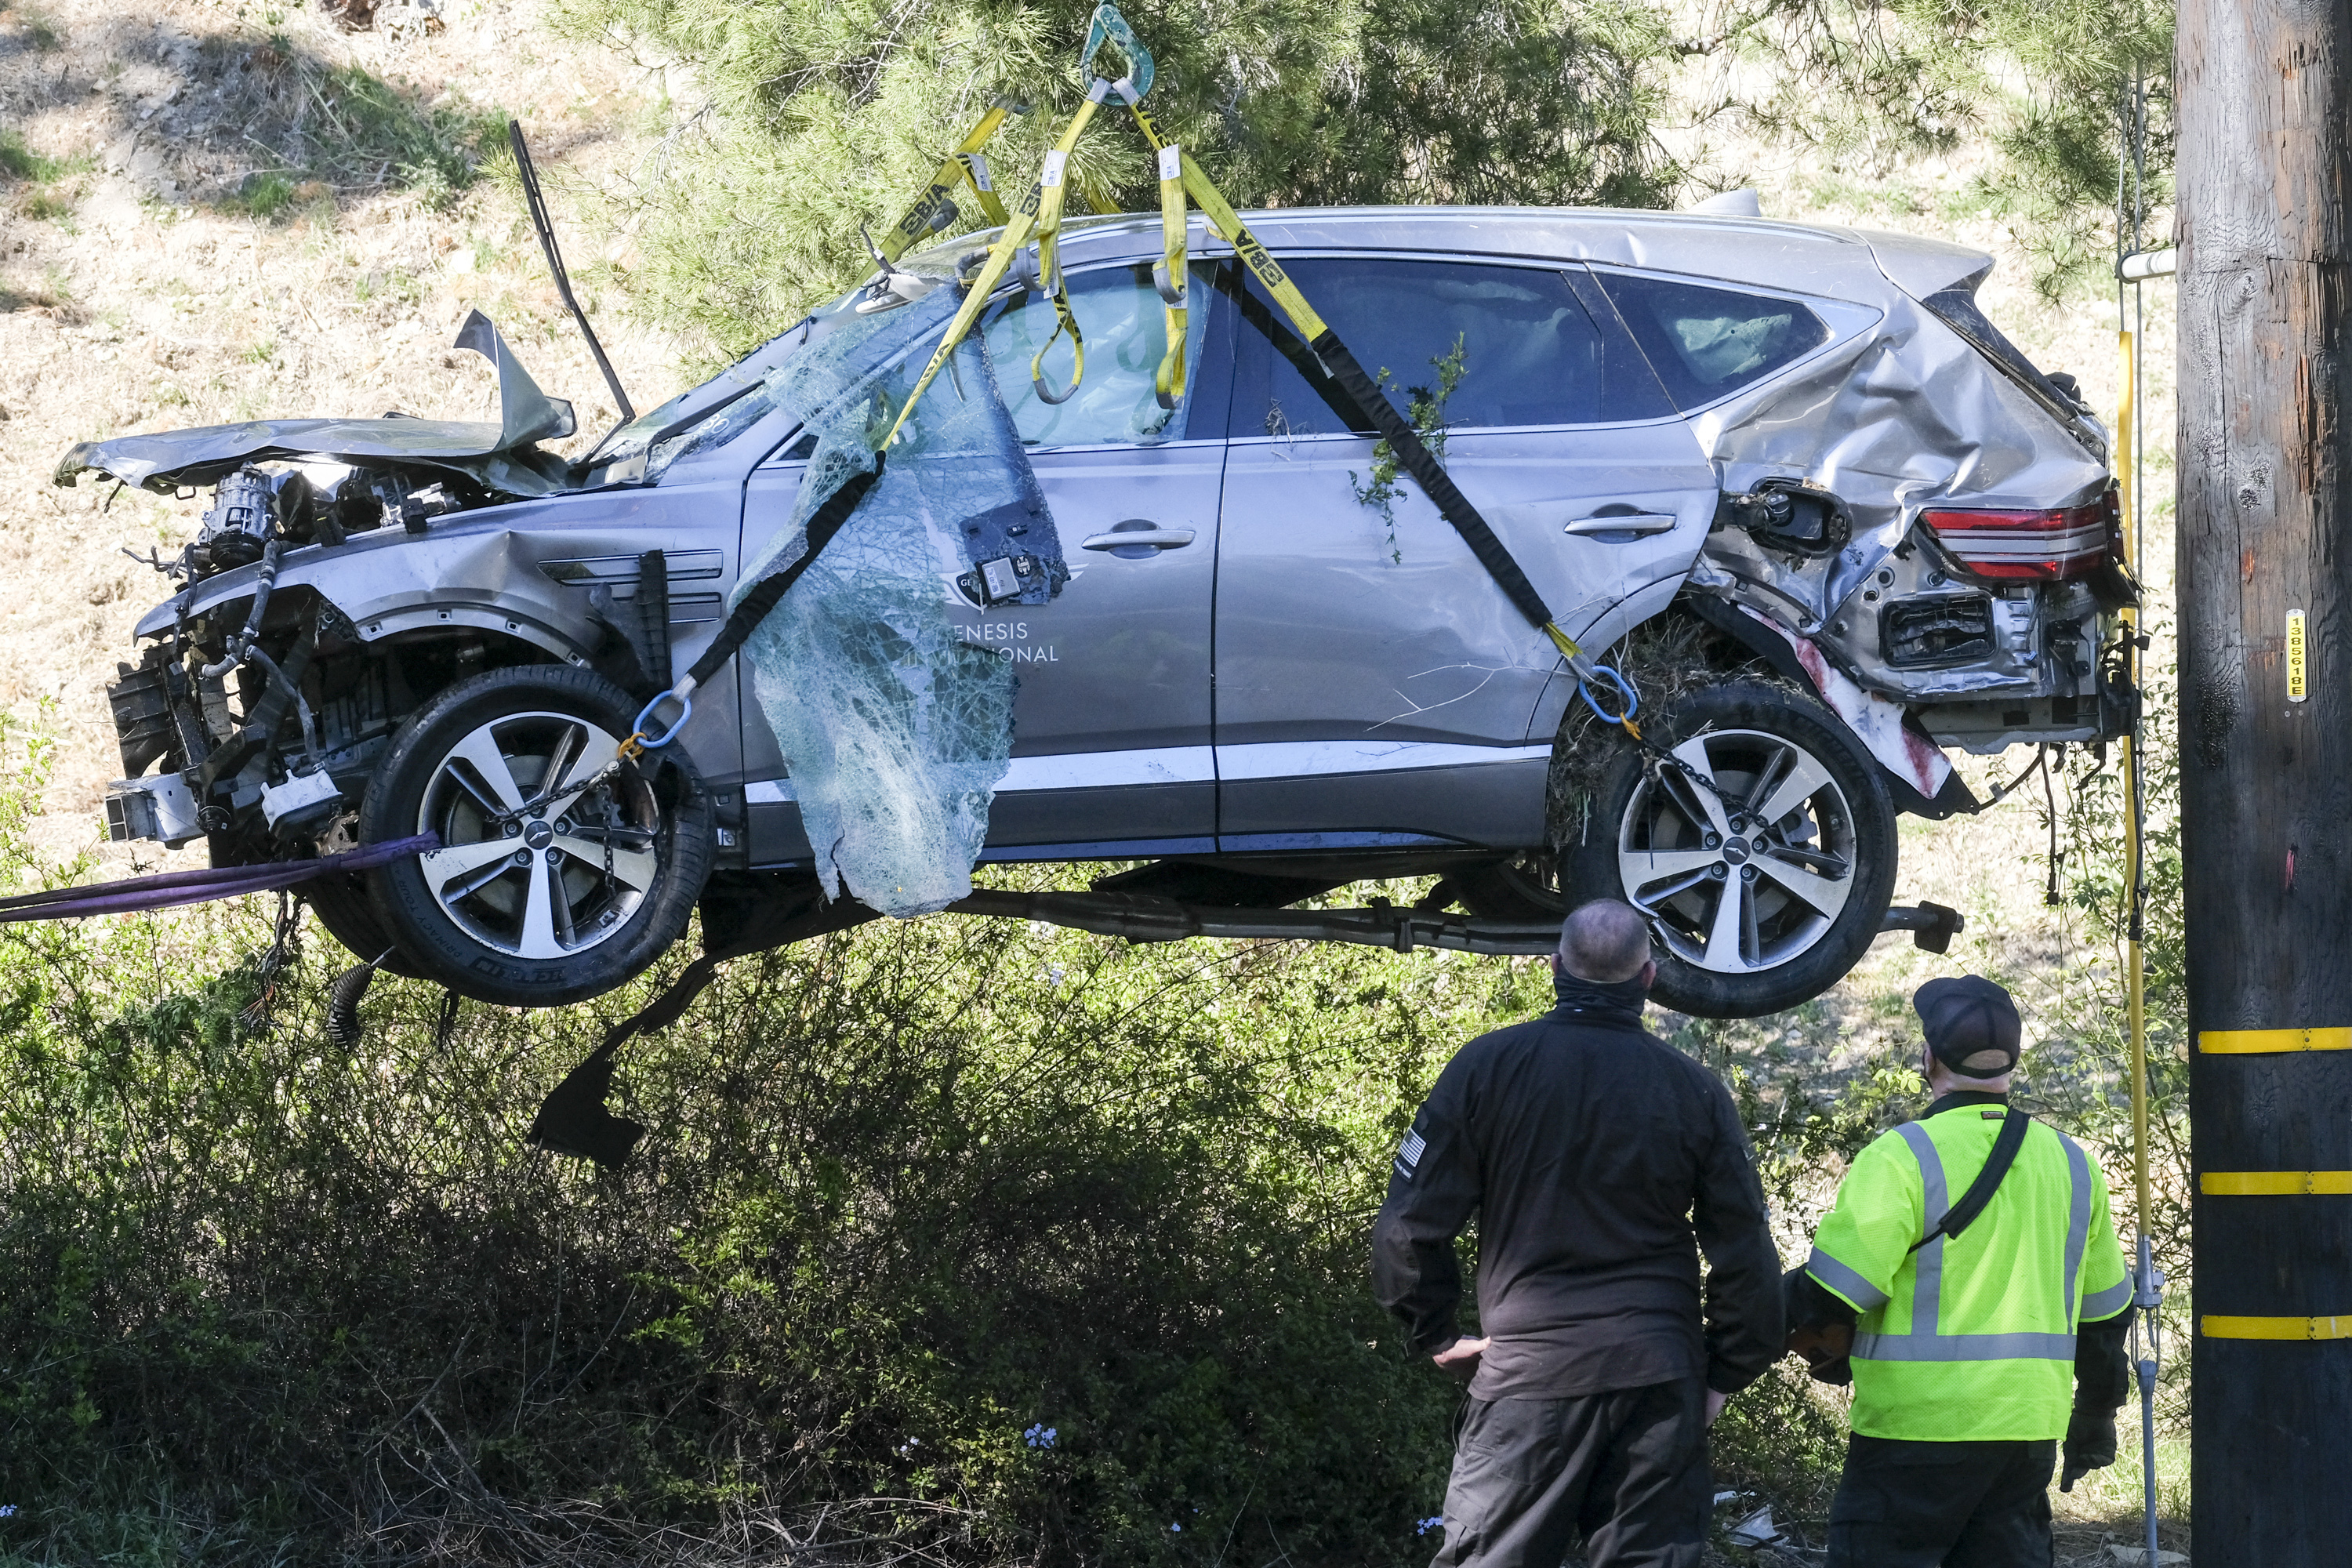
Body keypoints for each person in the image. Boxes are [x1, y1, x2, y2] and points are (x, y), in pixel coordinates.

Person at [1372, 898, 1781, 1568]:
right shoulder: (1695, 1090)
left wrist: (1436, 1333)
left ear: (1554, 968)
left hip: (1527, 1379)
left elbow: (1406, 1226)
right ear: (1648, 979)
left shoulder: (1485, 1068)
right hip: (1658, 1379)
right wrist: (1728, 1369)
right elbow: (1744, 1250)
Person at [1788, 975, 2134, 1567]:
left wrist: (1737, 1335)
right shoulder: (2075, 1165)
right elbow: (2106, 1316)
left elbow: (1831, 1294)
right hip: (2024, 1439)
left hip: (1910, 1439)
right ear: (2012, 1062)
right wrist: (2095, 1416)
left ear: (1929, 1058)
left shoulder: (1901, 1157)